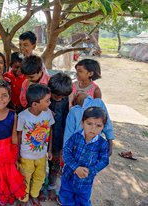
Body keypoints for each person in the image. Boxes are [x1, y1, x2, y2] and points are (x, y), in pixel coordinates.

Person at [58, 107, 109, 206]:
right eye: (89, 124)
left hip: (85, 181)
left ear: (103, 127)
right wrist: (76, 168)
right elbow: (66, 152)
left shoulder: (102, 144)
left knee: (83, 201)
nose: (93, 129)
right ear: (82, 123)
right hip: (68, 177)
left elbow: (104, 161)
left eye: (98, 125)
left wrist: (90, 171)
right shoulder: (75, 137)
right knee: (66, 198)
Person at [17, 84, 55, 206]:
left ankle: (34, 195)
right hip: (26, 156)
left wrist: (49, 150)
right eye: (47, 101)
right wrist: (17, 154)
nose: (50, 103)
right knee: (25, 178)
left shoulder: (48, 113)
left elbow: (50, 130)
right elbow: (18, 135)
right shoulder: (22, 116)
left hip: (41, 155)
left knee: (40, 176)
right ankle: (23, 198)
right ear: (35, 104)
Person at [39, 72, 72, 202]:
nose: (59, 99)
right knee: (40, 165)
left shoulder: (64, 99)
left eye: (62, 96)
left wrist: (65, 138)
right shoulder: (42, 98)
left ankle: (51, 186)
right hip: (41, 138)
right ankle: (40, 188)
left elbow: (65, 118)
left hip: (58, 137)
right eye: (56, 96)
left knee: (55, 165)